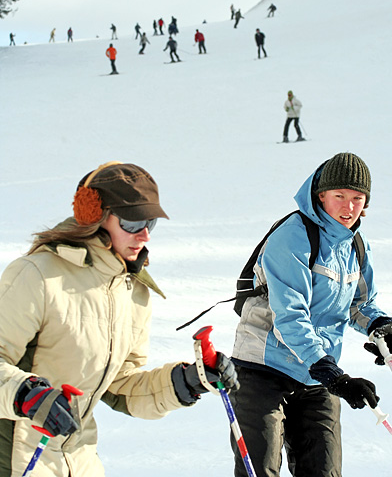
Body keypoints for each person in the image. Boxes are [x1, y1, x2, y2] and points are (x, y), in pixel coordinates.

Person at [0, 161, 239, 477]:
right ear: (93, 215)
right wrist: (27, 396)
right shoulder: (37, 275)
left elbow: (121, 385)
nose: (144, 235)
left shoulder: (132, 290)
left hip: (80, 462)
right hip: (15, 460)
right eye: (132, 221)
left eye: (150, 223)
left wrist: (186, 381)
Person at [230, 152, 392, 477]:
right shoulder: (292, 237)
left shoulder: (355, 246)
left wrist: (382, 326)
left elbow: (360, 304)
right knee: (260, 469)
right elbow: (290, 317)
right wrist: (334, 375)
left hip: (317, 374)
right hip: (263, 369)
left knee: (324, 471)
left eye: (357, 198)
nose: (349, 207)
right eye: (340, 196)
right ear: (321, 195)